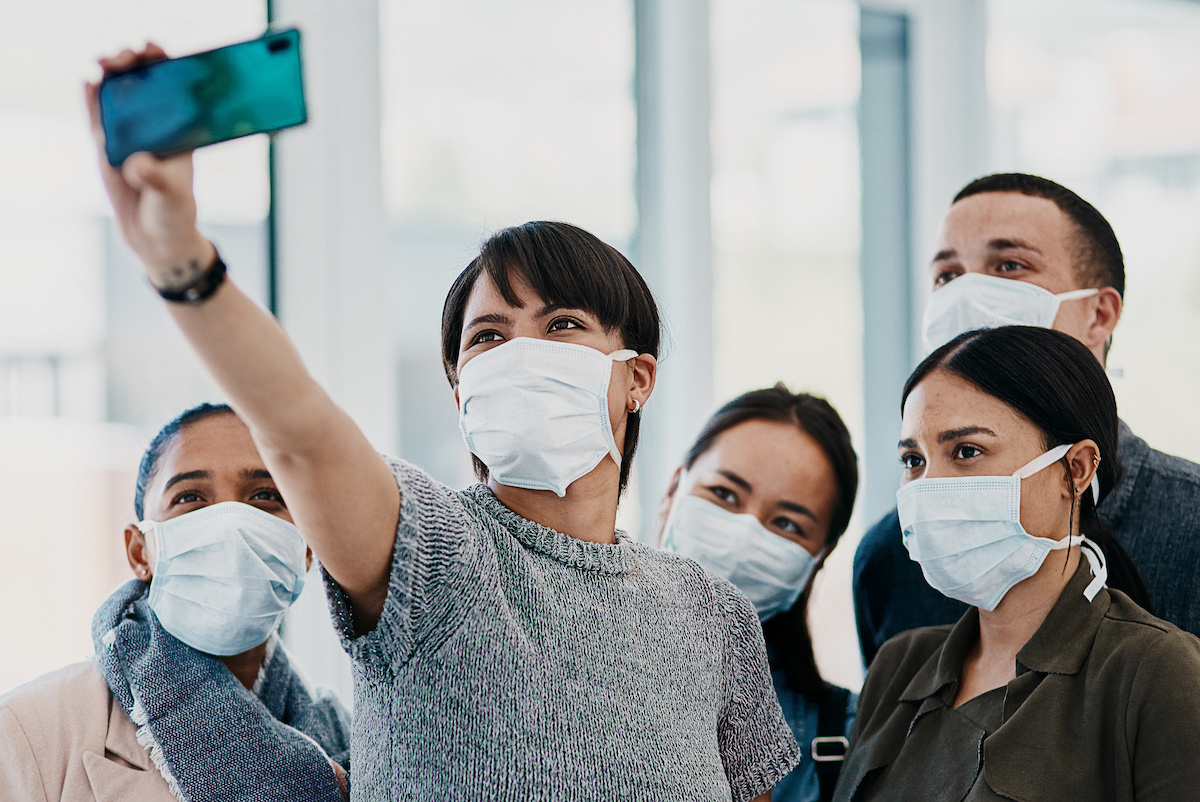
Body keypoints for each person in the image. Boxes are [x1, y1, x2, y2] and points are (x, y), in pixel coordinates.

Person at [83, 44, 801, 802]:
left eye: (560, 324)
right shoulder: (432, 555)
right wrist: (183, 263)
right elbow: (298, 430)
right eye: (488, 337)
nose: (521, 353)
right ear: (462, 391)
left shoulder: (711, 614)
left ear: (637, 379)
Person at [834, 325, 1200, 801]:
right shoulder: (900, 665)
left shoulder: (1155, 673)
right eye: (913, 459)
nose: (928, 487)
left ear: (1077, 469)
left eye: (967, 451)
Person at [853, 172, 1200, 665]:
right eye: (948, 276)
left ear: (1099, 315)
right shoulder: (894, 554)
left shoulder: (1190, 525)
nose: (968, 298)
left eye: (1009, 266)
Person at [0, 403, 351, 802]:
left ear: (305, 548)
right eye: (190, 497)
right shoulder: (27, 734)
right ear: (140, 552)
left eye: (266, 495)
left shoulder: (350, 740)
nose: (230, 522)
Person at [657, 385, 859, 802]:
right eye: (724, 494)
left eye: (787, 524)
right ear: (674, 489)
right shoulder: (554, 663)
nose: (744, 535)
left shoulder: (849, 736)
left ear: (819, 558)